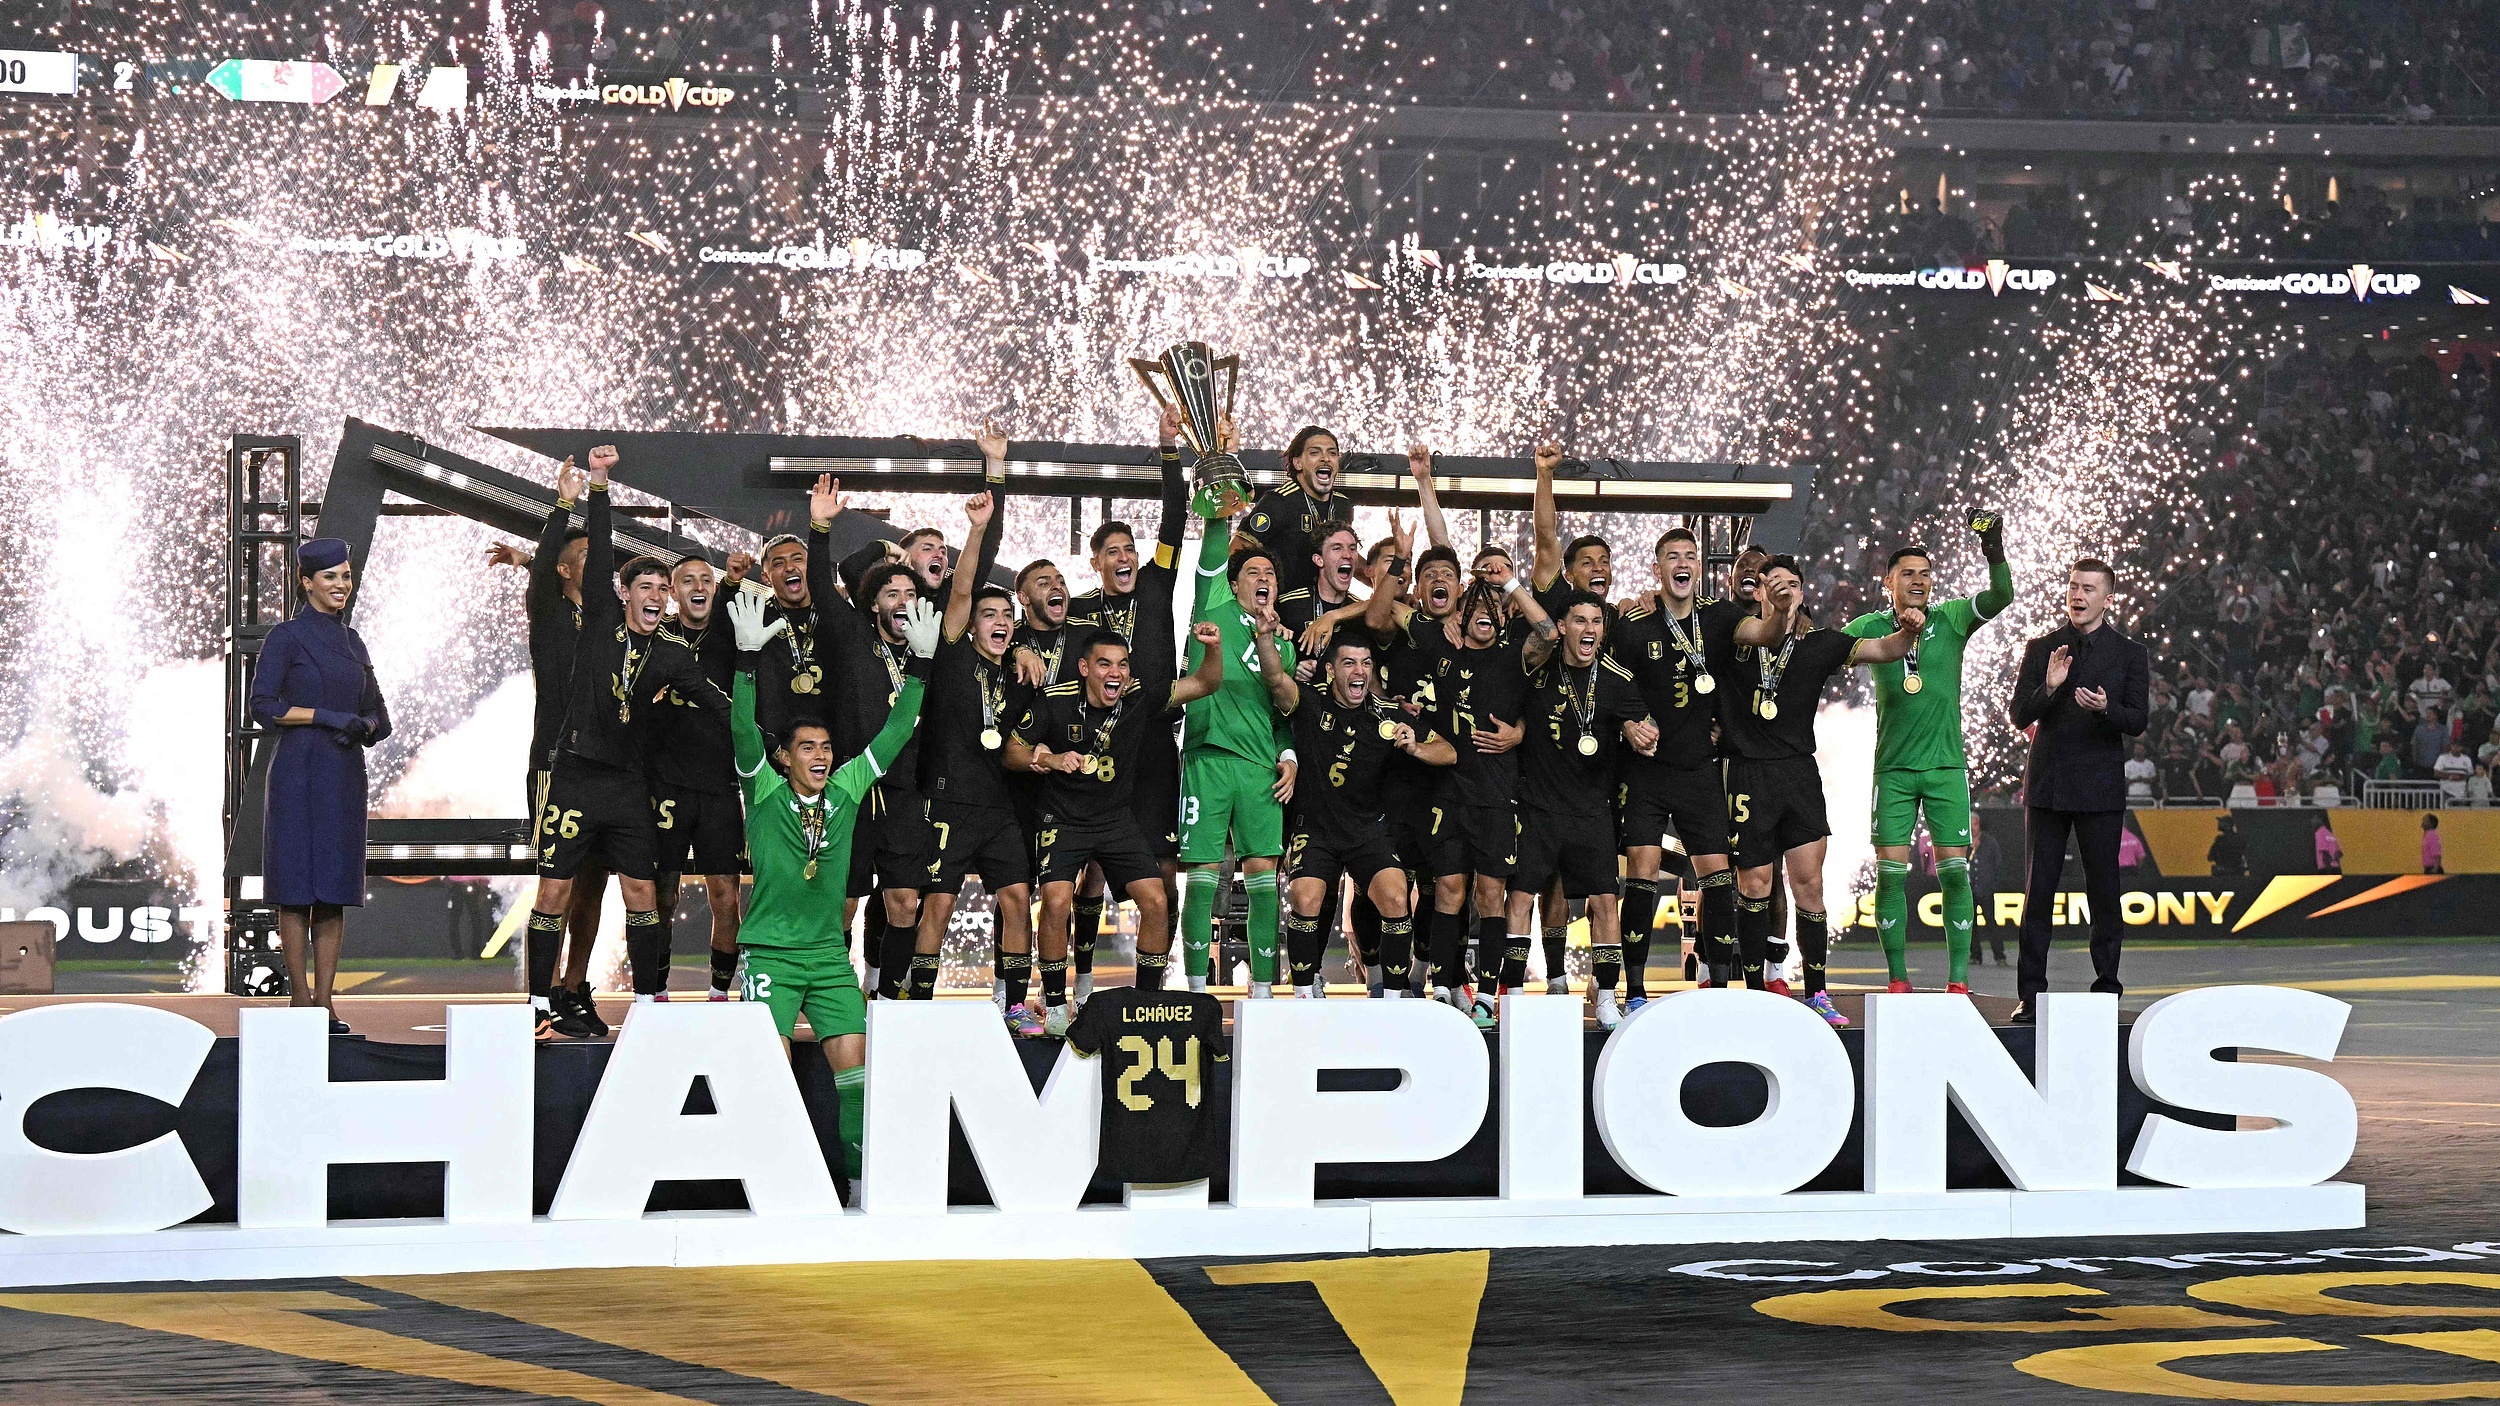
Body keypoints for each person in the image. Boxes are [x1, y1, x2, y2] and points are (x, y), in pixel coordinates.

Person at [723, 589, 937, 1183]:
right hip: (770, 953)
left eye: (825, 747)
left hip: (827, 958)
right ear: (786, 758)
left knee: (859, 1079)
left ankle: (859, 1186)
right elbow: (742, 727)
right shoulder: (764, 791)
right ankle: (772, 1188)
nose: (819, 756)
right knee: (767, 1074)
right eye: (807, 748)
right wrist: (746, 662)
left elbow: (895, 732)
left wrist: (920, 667)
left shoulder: (845, 789)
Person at [521, 447, 733, 1038]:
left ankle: (645, 1007)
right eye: (646, 586)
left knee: (642, 889)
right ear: (623, 591)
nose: (657, 595)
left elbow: (716, 702)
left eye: (663, 588)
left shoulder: (672, 653)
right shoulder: (598, 625)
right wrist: (598, 486)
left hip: (629, 786)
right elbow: (601, 551)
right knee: (555, 890)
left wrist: (768, 744)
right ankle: (537, 1006)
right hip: (576, 776)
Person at [1724, 557, 1920, 1024]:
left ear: (1802, 592)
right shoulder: (1735, 637)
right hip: (1749, 774)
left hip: (1798, 775)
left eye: (1793, 584)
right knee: (1754, 884)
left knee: (1809, 884)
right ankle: (1753, 994)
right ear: (1759, 591)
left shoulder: (1818, 643)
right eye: (1775, 583)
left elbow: (1885, 648)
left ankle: (1816, 992)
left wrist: (1909, 632)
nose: (1785, 590)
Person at [1008, 625, 1227, 1031]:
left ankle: (1147, 1004)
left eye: (1123, 665)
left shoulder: (1138, 695)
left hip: (1115, 821)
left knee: (1157, 901)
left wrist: (1213, 649)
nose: (1116, 673)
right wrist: (1050, 760)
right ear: (1084, 668)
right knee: (1056, 901)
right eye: (1105, 664)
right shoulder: (1055, 701)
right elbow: (1011, 752)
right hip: (1063, 819)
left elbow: (1205, 683)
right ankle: (1055, 1007)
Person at [1847, 514, 2015, 996]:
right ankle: (1897, 980)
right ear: (1888, 581)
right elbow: (1825, 653)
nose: (1918, 580)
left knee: (1956, 875)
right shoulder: (1868, 626)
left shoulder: (1953, 617)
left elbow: (2002, 595)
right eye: (1908, 573)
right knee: (1890, 877)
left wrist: (1993, 549)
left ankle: (1958, 980)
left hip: (1946, 768)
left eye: (1925, 573)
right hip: (1893, 771)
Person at [1064, 407, 1192, 994]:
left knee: (1162, 873)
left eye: (1128, 549)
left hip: (1156, 742)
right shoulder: (1081, 611)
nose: (1124, 557)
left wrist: (1169, 450)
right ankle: (1084, 981)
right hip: (1102, 744)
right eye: (1112, 551)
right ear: (1096, 563)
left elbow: (1175, 516)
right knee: (1091, 868)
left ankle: (1152, 989)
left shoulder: (1158, 583)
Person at [1254, 627, 1456, 998]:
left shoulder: (1387, 715)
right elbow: (1275, 679)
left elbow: (1448, 751)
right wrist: (1265, 637)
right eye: (1349, 663)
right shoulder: (1311, 702)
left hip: (1367, 831)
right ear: (1331, 670)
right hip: (1315, 829)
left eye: (1365, 663)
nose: (1359, 671)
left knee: (1396, 898)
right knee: (1305, 898)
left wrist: (1416, 748)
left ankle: (1392, 1003)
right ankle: (1304, 997)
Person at [485, 457, 608, 1034]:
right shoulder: (549, 613)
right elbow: (542, 578)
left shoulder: (610, 618)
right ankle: (541, 994)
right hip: (555, 765)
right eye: (582, 555)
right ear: (561, 569)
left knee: (594, 884)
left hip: (605, 766)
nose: (595, 561)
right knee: (558, 882)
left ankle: (574, 987)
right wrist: (562, 505)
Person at [251, 537, 392, 1032]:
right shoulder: (285, 638)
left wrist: (366, 725)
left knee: (333, 889)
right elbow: (263, 705)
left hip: (343, 775)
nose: (341, 585)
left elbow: (379, 713)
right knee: (295, 888)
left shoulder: (354, 642)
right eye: (330, 576)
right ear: (306, 582)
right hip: (297, 772)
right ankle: (300, 999)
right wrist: (325, 716)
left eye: (346, 576)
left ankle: (326, 1003)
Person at [1179, 443, 1299, 999]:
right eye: (1253, 571)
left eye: (1270, 573)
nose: (1263, 577)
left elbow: (1283, 711)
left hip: (1259, 770)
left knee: (1265, 879)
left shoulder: (1285, 645)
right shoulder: (1213, 608)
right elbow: (1210, 556)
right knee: (1203, 877)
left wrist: (1288, 756)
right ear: (1235, 583)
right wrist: (1220, 510)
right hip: (1207, 758)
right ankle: (1196, 990)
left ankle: (1264, 991)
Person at [2009, 558, 2151, 1024]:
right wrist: (2049, 688)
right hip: (2048, 787)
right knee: (2038, 894)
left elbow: (2138, 721)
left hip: (2100, 789)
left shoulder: (2130, 654)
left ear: (2108, 598)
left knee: (2105, 894)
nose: (2078, 594)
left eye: (2089, 588)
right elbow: (2019, 715)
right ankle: (2031, 994)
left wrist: (2107, 708)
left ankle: (2107, 988)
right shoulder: (2042, 648)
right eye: (2073, 586)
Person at [1506, 573, 1649, 1028]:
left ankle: (1606, 997)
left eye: (1596, 621)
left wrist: (1639, 731)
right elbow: (1516, 702)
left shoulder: (1617, 680)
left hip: (1592, 810)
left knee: (1606, 903)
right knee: (1521, 898)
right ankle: (1512, 993)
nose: (1589, 629)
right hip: (1537, 806)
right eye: (1580, 620)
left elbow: (1645, 726)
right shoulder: (1538, 668)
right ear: (1564, 626)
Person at [1611, 526, 1745, 1003]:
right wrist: (1628, 722)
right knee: (1641, 875)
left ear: (1699, 567)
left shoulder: (1719, 616)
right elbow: (1607, 680)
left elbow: (1757, 643)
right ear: (1657, 568)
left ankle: (1721, 990)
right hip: (1646, 772)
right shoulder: (1635, 623)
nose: (1682, 563)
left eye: (1690, 555)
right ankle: (1635, 990)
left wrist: (1783, 605)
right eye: (1672, 556)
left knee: (1719, 878)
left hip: (1698, 769)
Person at [1423, 576, 1529, 1023]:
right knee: (1448, 890)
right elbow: (1387, 612)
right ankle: (1444, 986)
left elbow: (1548, 633)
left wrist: (1511, 584)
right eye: (1476, 604)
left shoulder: (1514, 655)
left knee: (1490, 893)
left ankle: (1486, 994)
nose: (1486, 611)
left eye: (1494, 605)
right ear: (1460, 613)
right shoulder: (1441, 647)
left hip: (1496, 793)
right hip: (1448, 791)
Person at [650, 553, 746, 1001]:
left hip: (719, 785)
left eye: (706, 579)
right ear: (673, 591)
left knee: (725, 894)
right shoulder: (656, 635)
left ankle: (720, 992)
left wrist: (733, 582)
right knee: (662, 896)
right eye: (687, 580)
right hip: (665, 784)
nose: (698, 586)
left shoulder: (730, 633)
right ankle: (655, 992)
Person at [1234, 424, 1352, 598]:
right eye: (1315, 453)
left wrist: (1377, 574)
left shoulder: (1343, 505)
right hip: (1284, 605)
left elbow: (1346, 555)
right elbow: (1236, 553)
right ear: (1298, 463)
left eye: (1332, 453)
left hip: (1328, 603)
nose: (1325, 459)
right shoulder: (1279, 501)